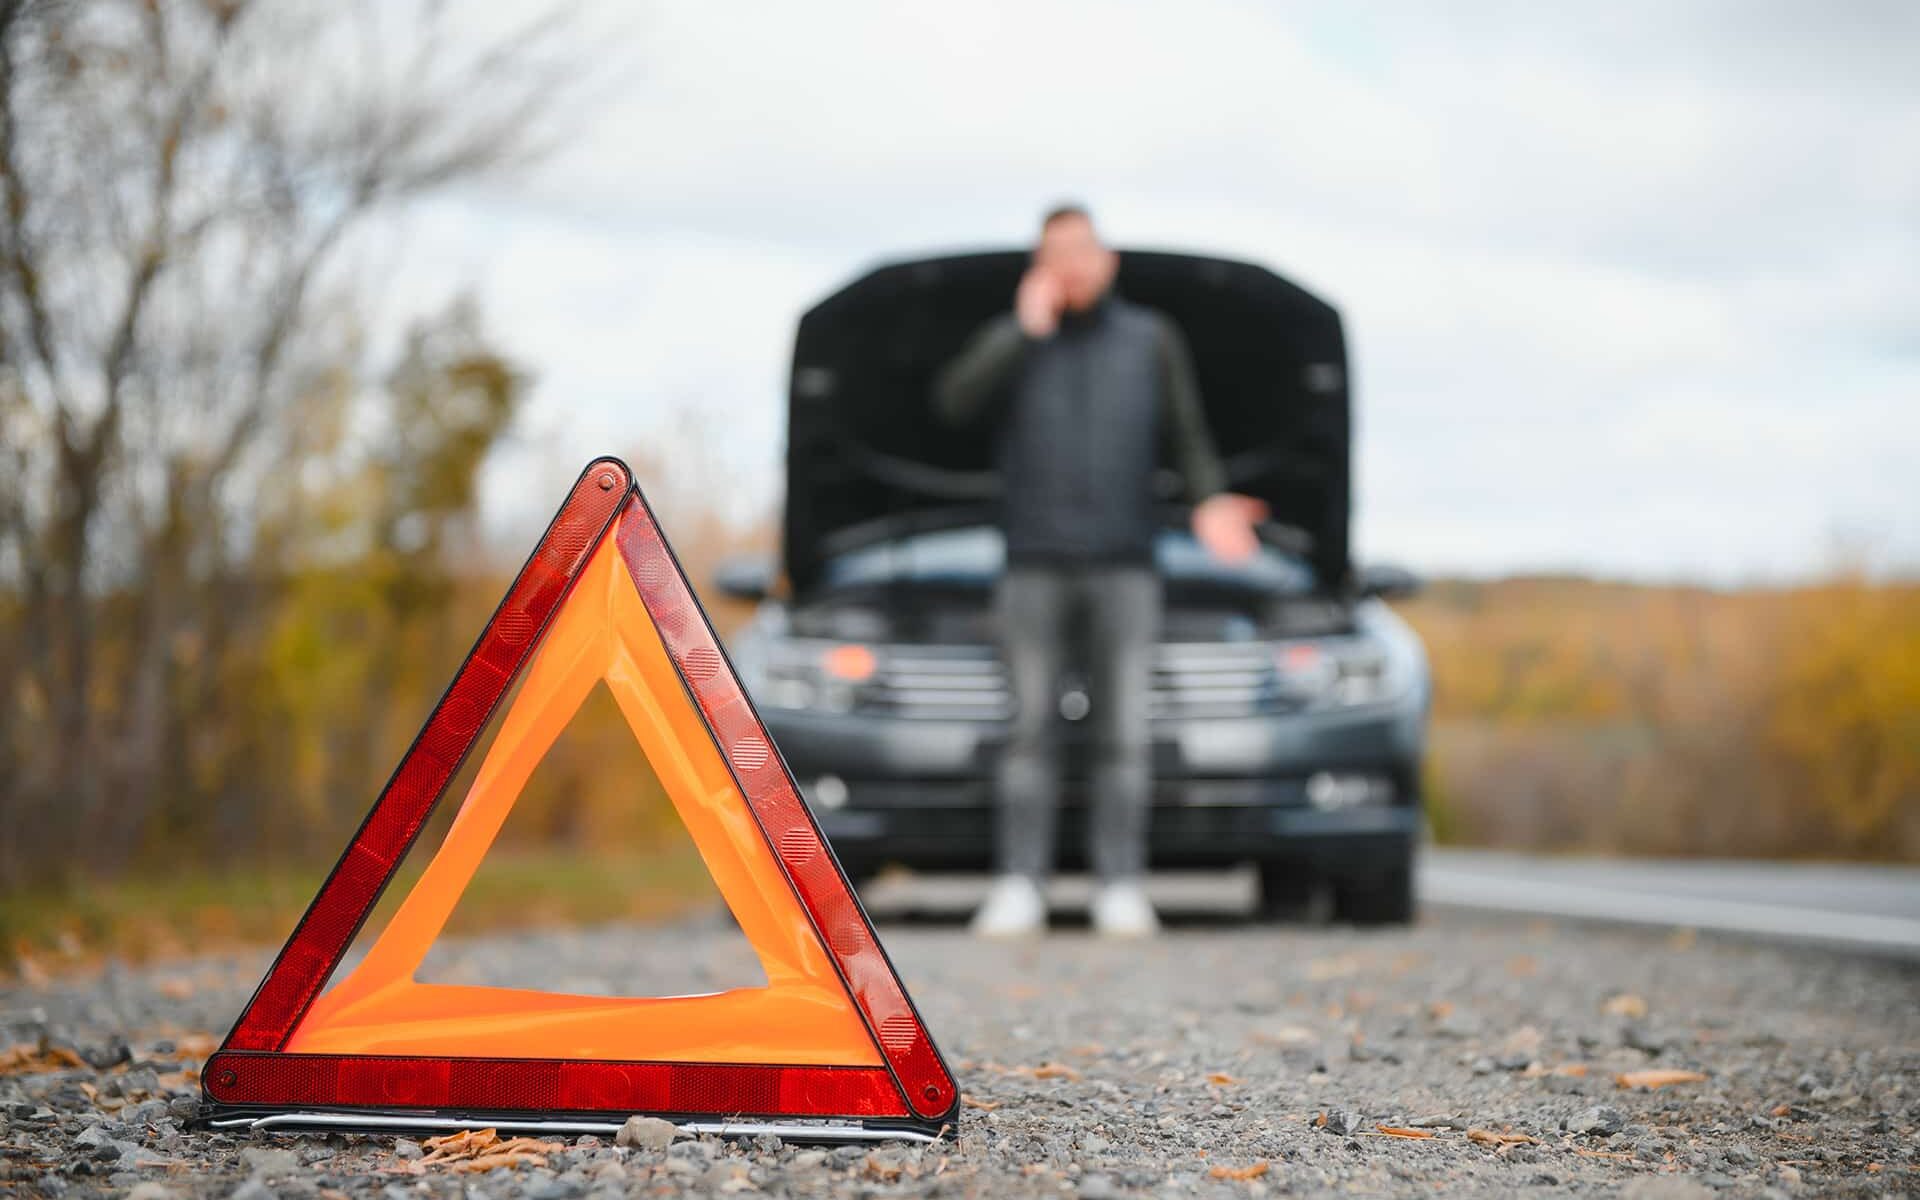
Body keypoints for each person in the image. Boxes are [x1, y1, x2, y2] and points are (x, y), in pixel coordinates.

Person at [933, 205, 1268, 937]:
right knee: (1028, 732)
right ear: (1039, 265)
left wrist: (1211, 501)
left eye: (1082, 249)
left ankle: (1119, 885)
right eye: (1056, 253)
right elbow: (952, 406)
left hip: (1125, 565)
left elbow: (1188, 435)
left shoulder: (1150, 340)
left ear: (1107, 258)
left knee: (1122, 734)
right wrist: (1022, 332)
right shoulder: (1014, 341)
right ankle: (1021, 884)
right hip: (1032, 566)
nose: (1072, 264)